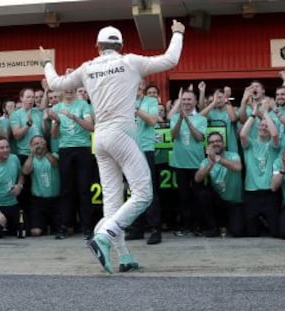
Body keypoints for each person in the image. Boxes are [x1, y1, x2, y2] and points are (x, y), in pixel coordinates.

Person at [40, 19, 185, 274]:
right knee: (143, 194)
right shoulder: (129, 61)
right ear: (120, 45)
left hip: (101, 139)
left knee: (112, 200)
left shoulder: (87, 68)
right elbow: (170, 59)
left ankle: (124, 256)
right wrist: (177, 33)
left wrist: (46, 63)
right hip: (122, 135)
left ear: (97, 46)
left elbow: (55, 84)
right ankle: (104, 235)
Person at [46, 88, 94, 240]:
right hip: (65, 150)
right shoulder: (56, 108)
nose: (69, 91)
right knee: (66, 190)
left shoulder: (83, 105)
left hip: (83, 149)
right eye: (67, 88)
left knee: (84, 189)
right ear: (62, 91)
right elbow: (54, 135)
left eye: (72, 87)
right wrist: (57, 122)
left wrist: (73, 117)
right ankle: (65, 226)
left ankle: (87, 227)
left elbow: (91, 127)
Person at [125, 80, 162, 245]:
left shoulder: (151, 101)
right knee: (132, 191)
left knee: (149, 189)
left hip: (145, 149)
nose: (137, 87)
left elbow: (153, 121)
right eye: (135, 84)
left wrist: (136, 109)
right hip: (128, 151)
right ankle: (137, 229)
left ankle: (155, 229)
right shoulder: (124, 100)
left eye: (140, 84)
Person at [239, 100, 280, 237]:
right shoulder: (250, 144)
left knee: (276, 233)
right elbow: (243, 135)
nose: (263, 128)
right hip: (252, 192)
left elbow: (274, 135)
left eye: (266, 126)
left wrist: (266, 114)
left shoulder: (273, 147)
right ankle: (261, 221)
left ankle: (266, 221)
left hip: (269, 193)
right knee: (251, 233)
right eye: (261, 126)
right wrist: (254, 114)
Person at [170, 90, 207, 236]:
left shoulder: (201, 119)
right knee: (183, 197)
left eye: (189, 100)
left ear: (195, 102)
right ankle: (185, 226)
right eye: (184, 100)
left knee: (198, 196)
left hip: (197, 164)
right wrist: (180, 119)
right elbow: (173, 135)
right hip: (179, 164)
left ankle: (198, 226)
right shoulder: (174, 117)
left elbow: (199, 137)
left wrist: (188, 120)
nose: (186, 102)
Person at [195, 132, 244, 237]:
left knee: (237, 232)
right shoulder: (205, 161)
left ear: (223, 143)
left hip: (235, 202)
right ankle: (213, 227)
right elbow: (197, 178)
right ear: (208, 146)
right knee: (203, 194)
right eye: (212, 142)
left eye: (218, 141)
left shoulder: (233, 155)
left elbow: (238, 167)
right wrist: (211, 164)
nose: (215, 143)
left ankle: (226, 225)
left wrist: (217, 159)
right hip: (218, 202)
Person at [22, 135, 61, 238]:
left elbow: (55, 164)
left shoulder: (53, 155)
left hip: (55, 200)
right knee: (35, 232)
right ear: (31, 146)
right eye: (36, 144)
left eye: (41, 143)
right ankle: (44, 225)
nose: (39, 146)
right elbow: (25, 171)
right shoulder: (31, 159)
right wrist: (31, 154)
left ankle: (50, 225)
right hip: (39, 201)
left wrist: (45, 151)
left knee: (66, 230)